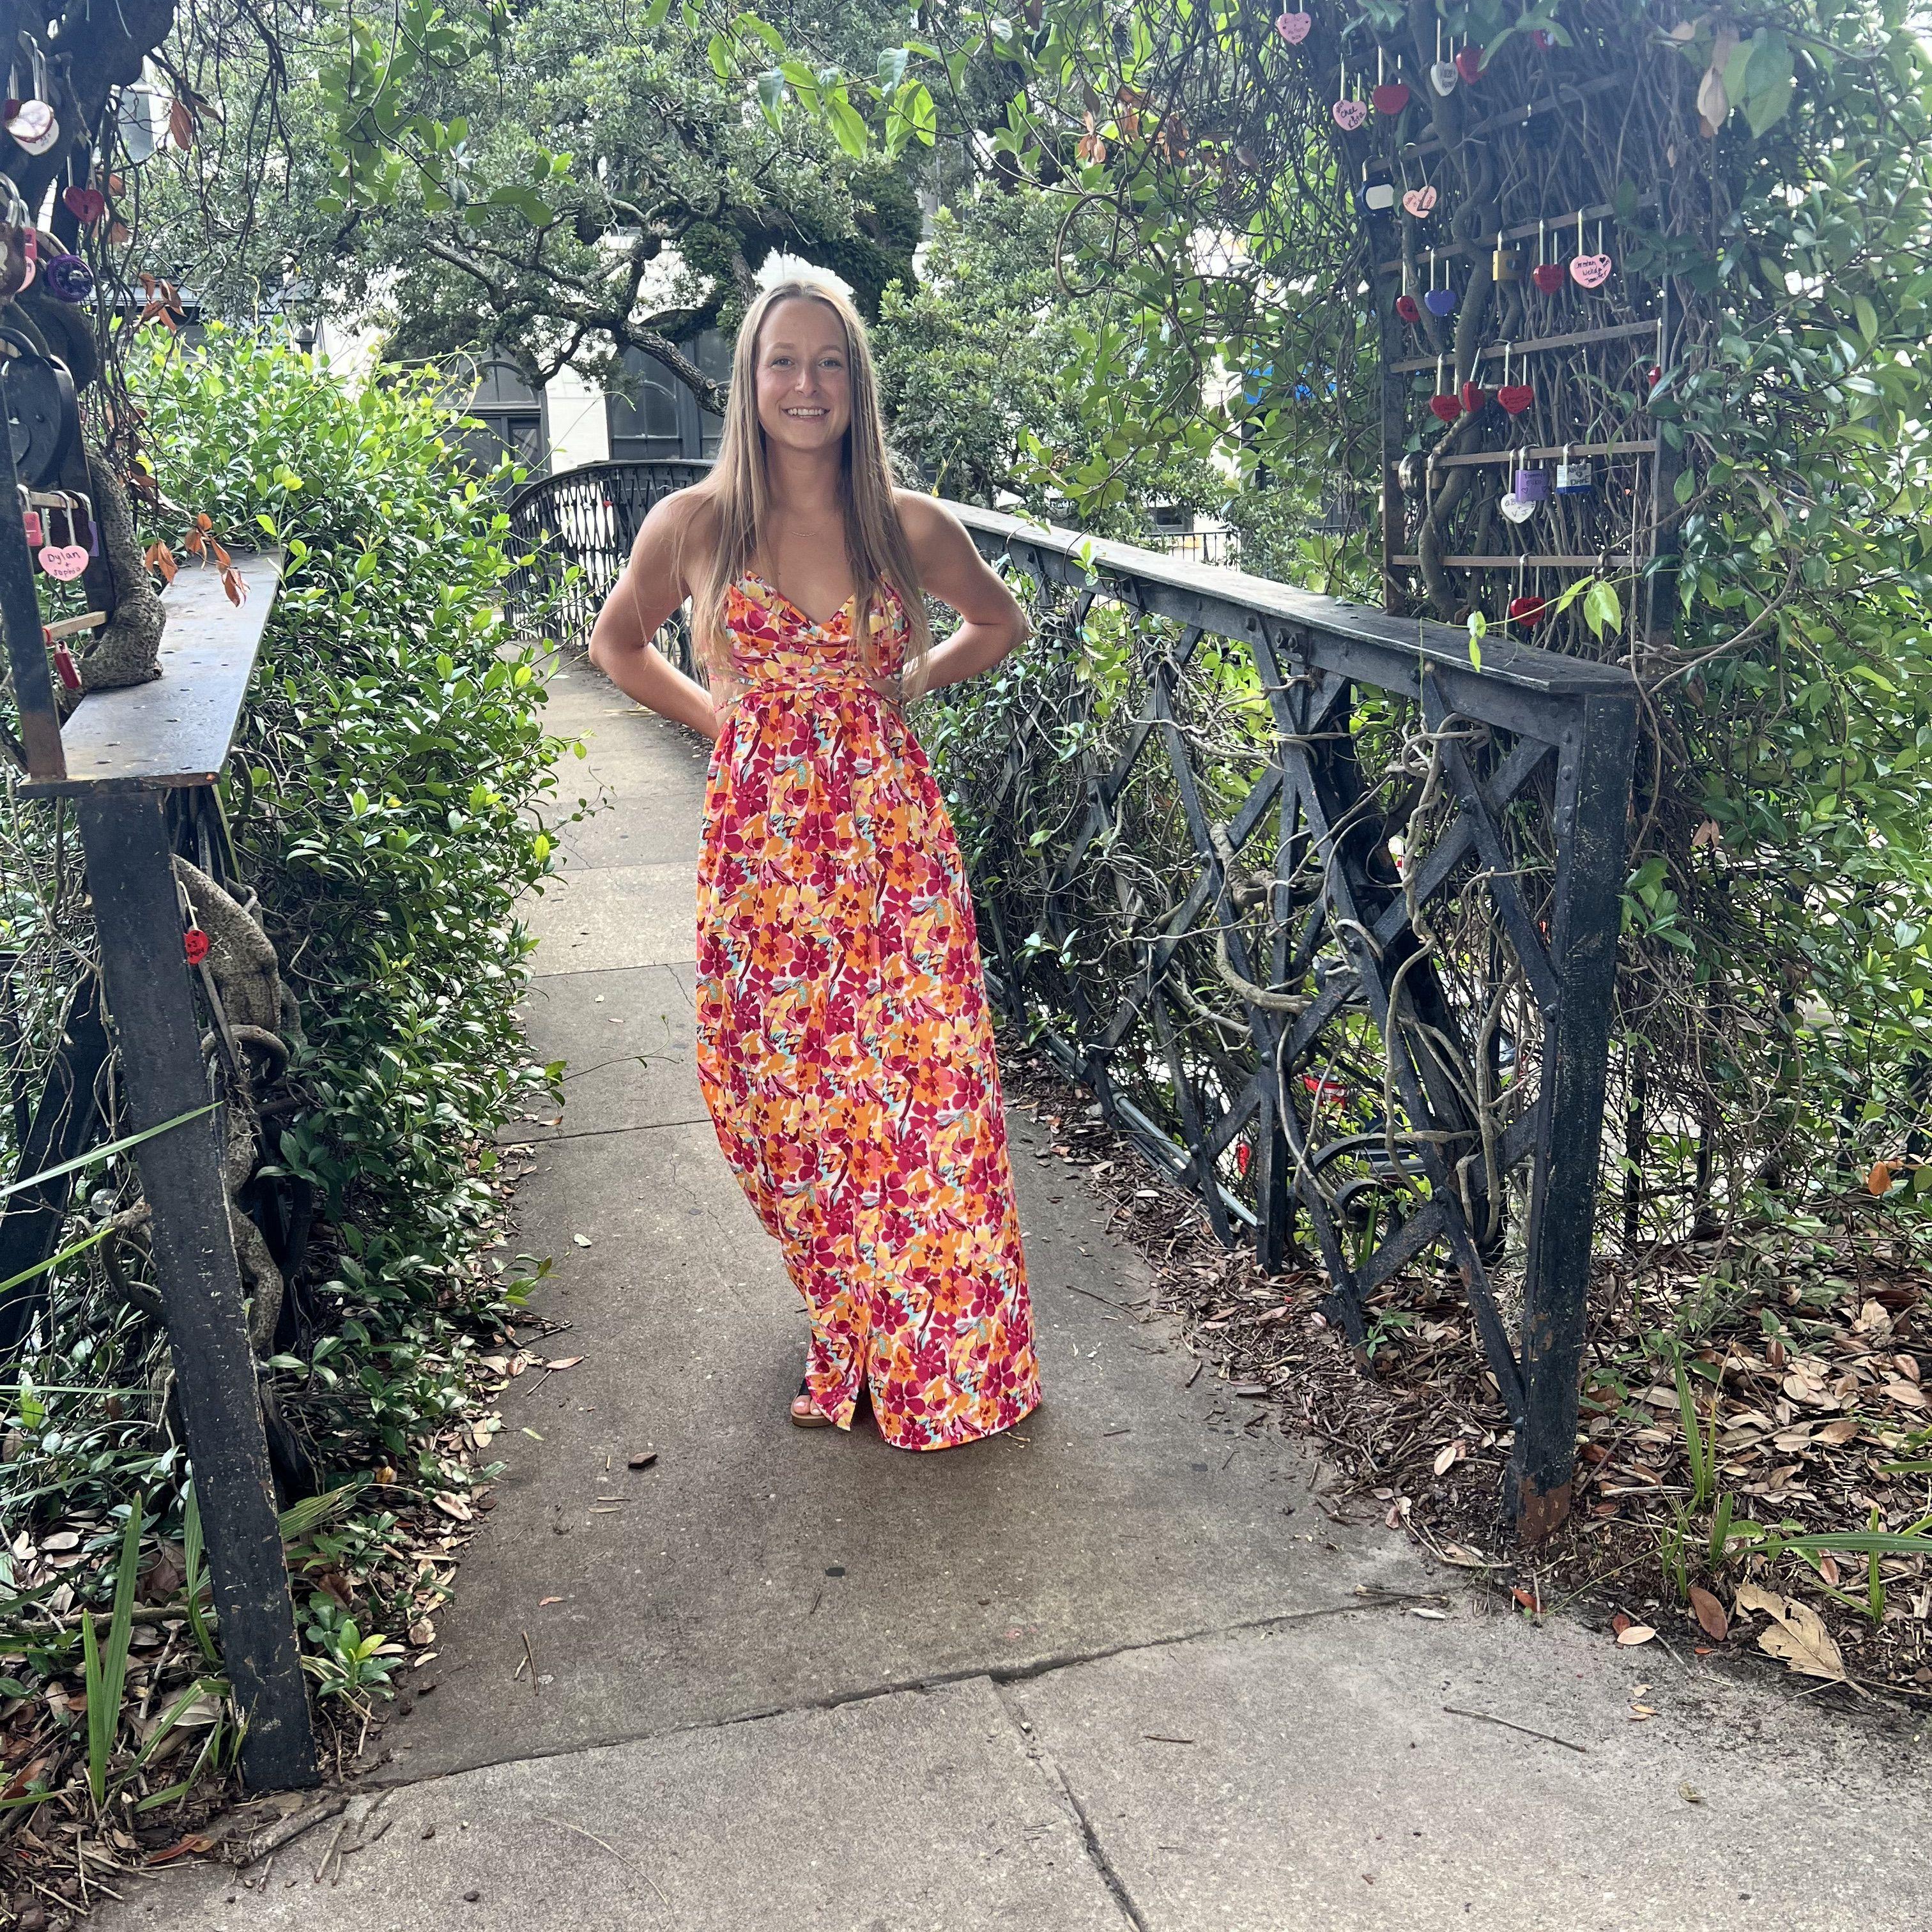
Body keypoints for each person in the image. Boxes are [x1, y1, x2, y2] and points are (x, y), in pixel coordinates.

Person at [586, 275, 1044, 1449]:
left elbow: (1001, 622)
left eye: (829, 362)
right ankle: (851, 1305)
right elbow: (616, 644)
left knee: (927, 1086)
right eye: (783, 362)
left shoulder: (907, 524)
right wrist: (726, 724)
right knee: (776, 1093)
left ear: (857, 383)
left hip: (894, 846)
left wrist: (907, 684)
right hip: (763, 858)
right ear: (749, 381)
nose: (807, 385)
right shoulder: (694, 525)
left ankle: (947, 1351)